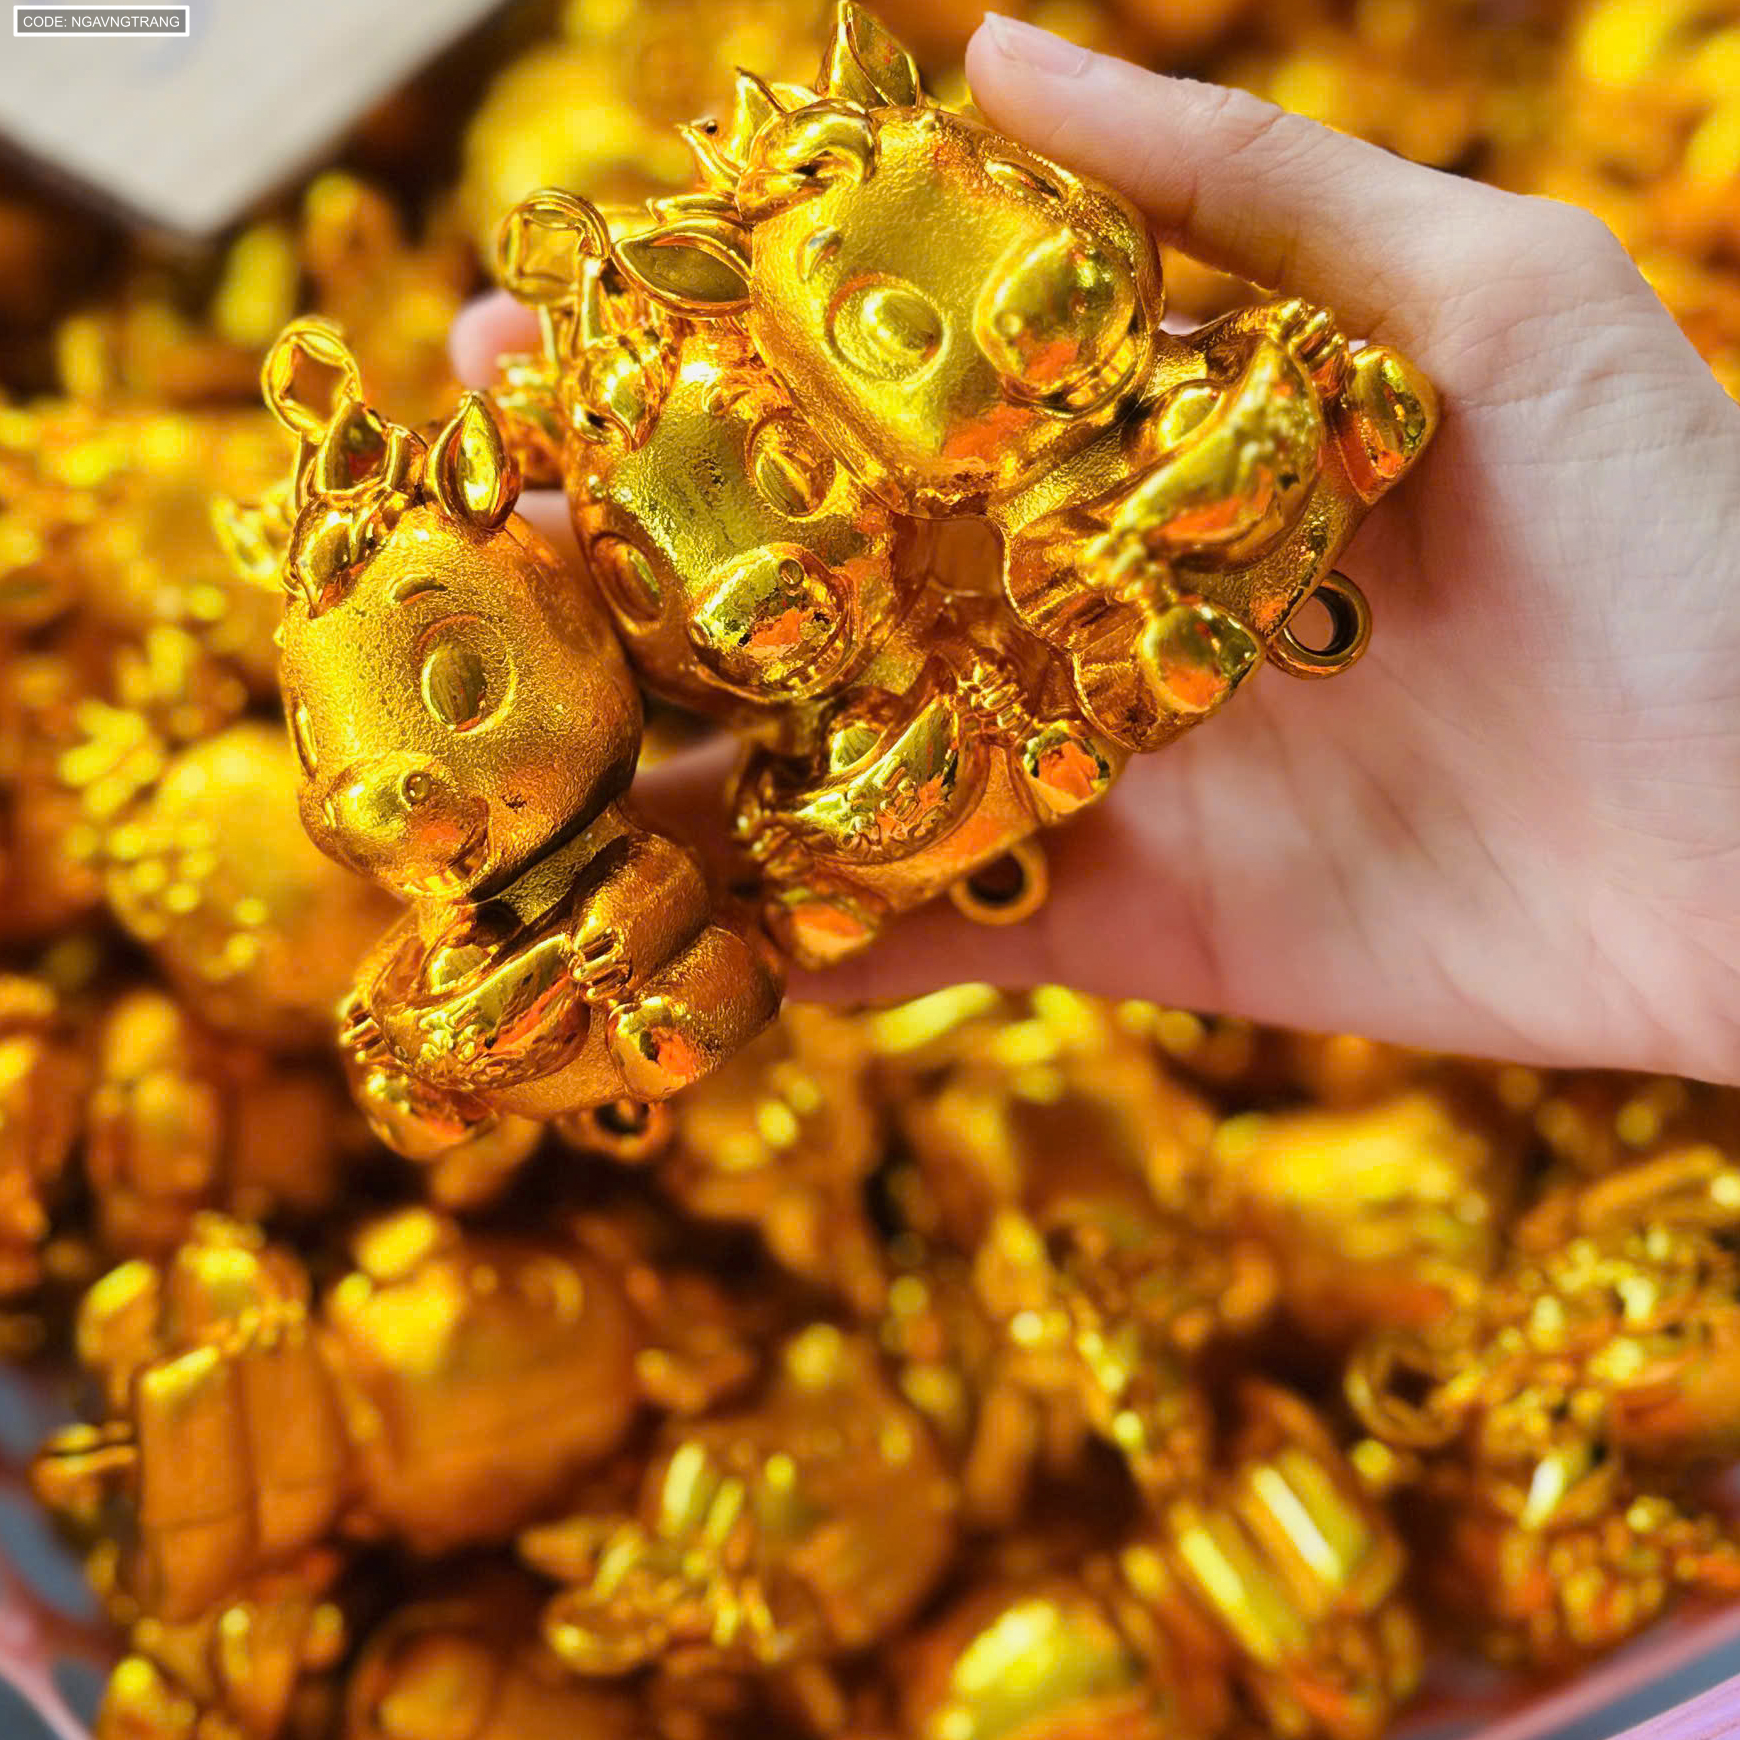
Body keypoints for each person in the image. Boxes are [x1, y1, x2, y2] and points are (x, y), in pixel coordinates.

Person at [451, 15, 1740, 1083]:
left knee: (1248, 440)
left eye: (1030, 202)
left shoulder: (1138, 442)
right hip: (1012, 666)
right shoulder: (988, 592)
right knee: (920, 769)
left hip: (1177, 495)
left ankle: (1233, 540)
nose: (1028, 301)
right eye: (899, 337)